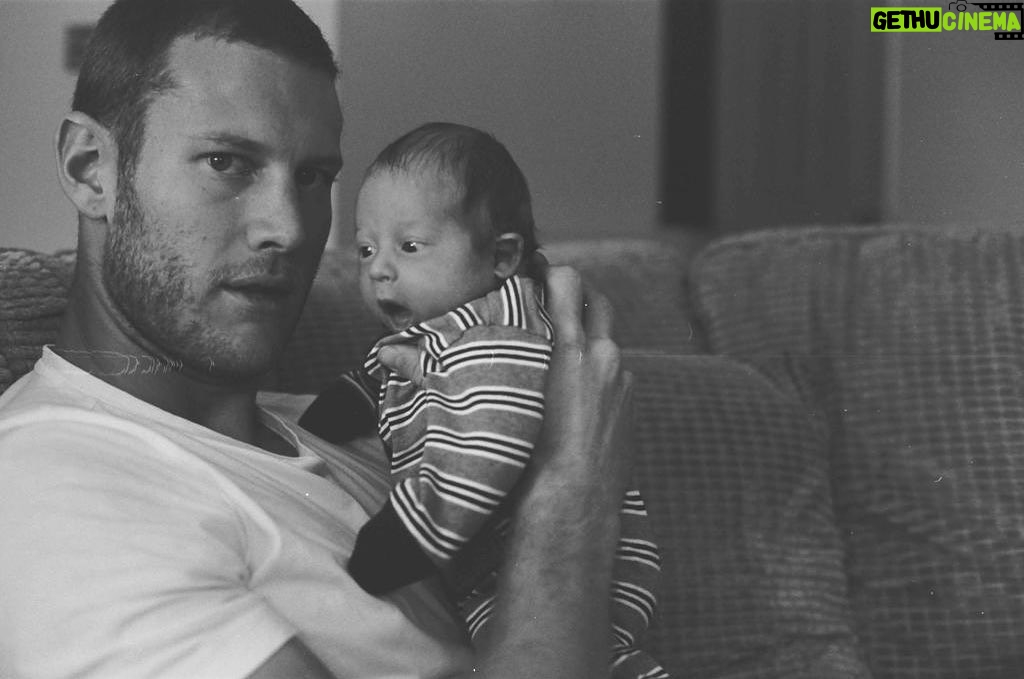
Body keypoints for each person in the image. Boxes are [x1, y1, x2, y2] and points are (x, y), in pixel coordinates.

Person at [0, 1, 639, 678]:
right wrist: (572, 491)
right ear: (89, 168)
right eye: (227, 162)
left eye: (312, 178)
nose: (292, 228)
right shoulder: (57, 491)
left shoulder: (357, 419)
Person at [297, 122, 666, 679]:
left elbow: (487, 438)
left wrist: (413, 533)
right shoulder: (442, 333)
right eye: (367, 248)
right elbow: (398, 366)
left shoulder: (501, 341)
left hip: (534, 554)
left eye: (410, 246)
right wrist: (355, 395)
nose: (378, 268)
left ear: (501, 258)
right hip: (499, 560)